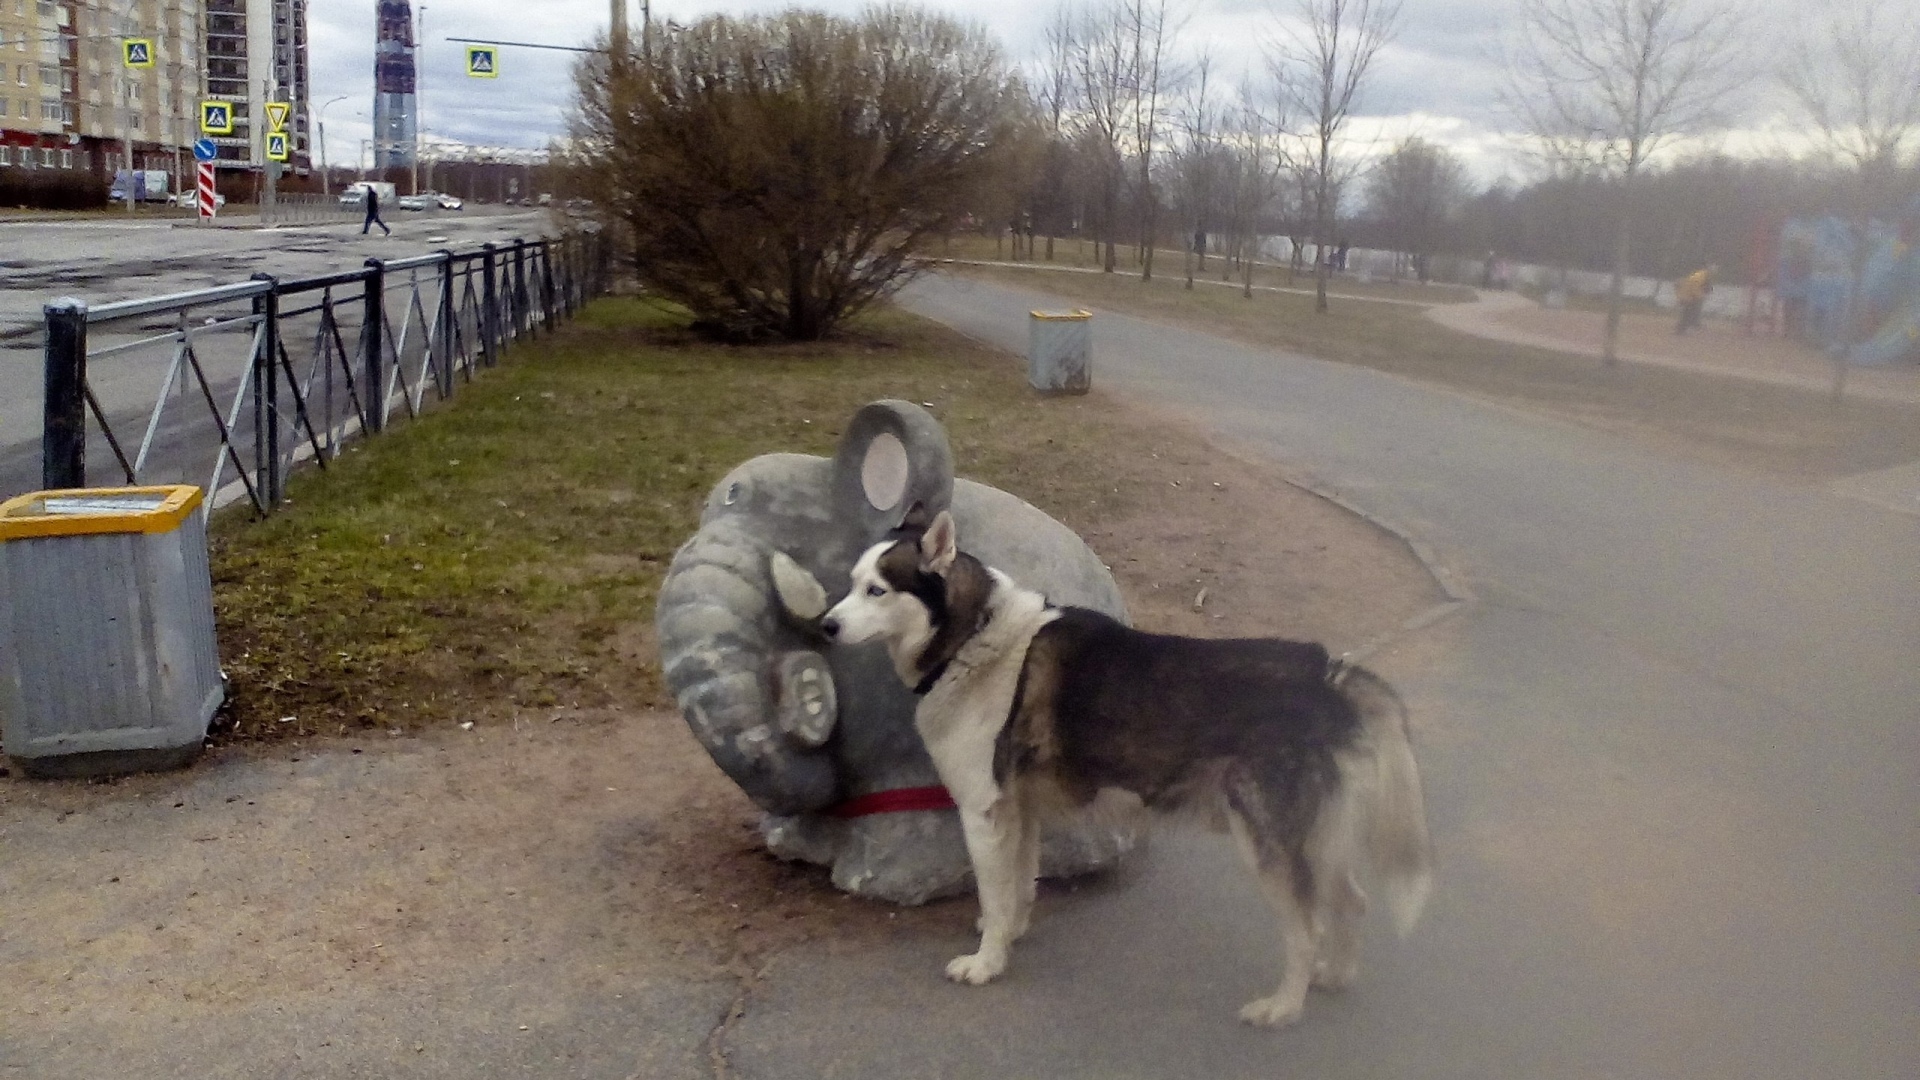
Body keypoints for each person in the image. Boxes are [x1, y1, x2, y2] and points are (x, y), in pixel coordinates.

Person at [1674, 264, 1716, 334]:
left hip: (1690, 296)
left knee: (1689, 312)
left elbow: (1702, 287)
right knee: (1688, 313)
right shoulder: (1700, 277)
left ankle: (1686, 327)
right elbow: (1695, 287)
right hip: (1688, 296)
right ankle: (1682, 329)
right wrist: (1700, 296)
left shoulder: (1703, 276)